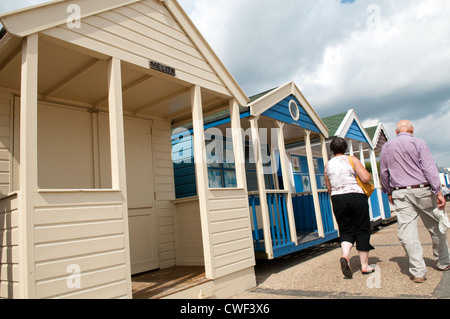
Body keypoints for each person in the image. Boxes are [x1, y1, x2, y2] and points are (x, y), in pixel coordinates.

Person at [380, 120, 450, 283]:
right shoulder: (419, 143)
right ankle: (443, 261)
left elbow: (384, 172)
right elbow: (429, 168)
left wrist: (388, 191)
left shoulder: (387, 147)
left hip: (401, 193)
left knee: (407, 232)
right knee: (435, 226)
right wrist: (438, 191)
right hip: (423, 189)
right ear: (412, 131)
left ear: (397, 132)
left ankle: (418, 271)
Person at [325, 137, 375, 279]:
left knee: (346, 229)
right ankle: (364, 266)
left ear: (332, 150)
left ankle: (345, 256)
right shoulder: (352, 160)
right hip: (355, 196)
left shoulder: (327, 165)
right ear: (345, 148)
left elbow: (329, 187)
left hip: (337, 198)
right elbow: (365, 178)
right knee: (362, 228)